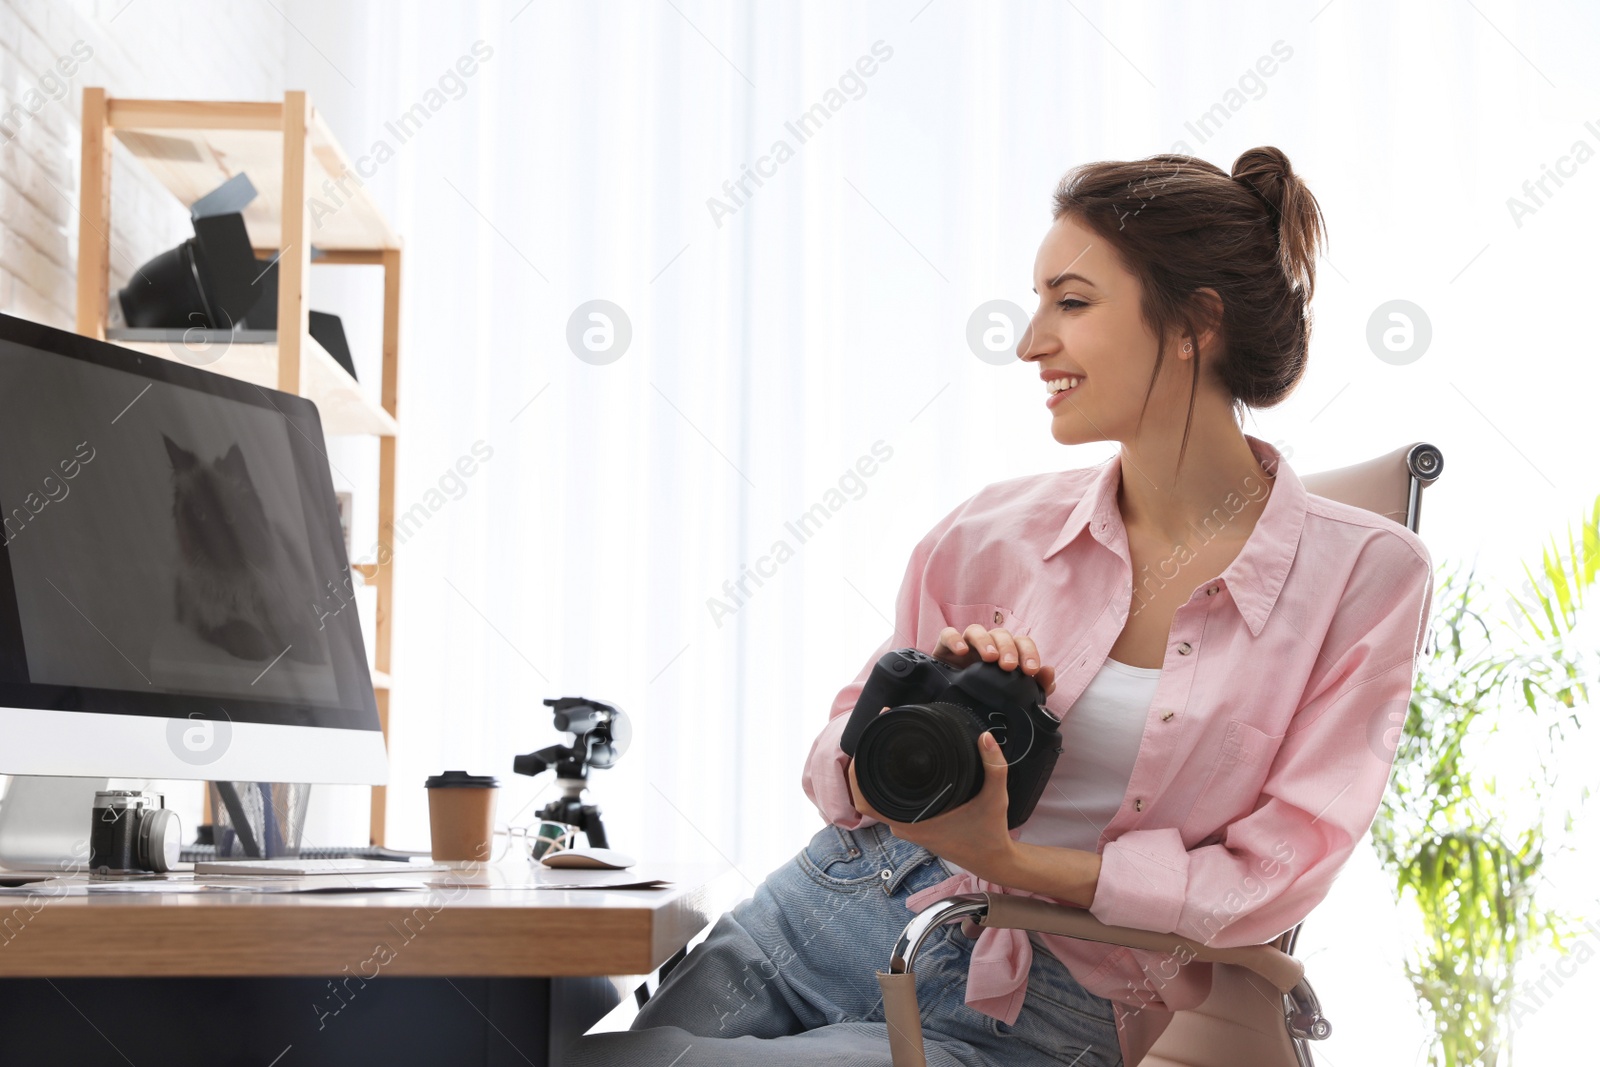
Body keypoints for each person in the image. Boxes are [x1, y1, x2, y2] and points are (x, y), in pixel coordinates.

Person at [563, 146, 1435, 1067]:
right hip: (830, 904)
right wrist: (919, 722)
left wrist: (1012, 860)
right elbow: (831, 759)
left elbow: (1272, 875)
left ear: (1194, 323)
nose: (1029, 341)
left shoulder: (1366, 576)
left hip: (1041, 1000)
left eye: (1071, 301)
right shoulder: (990, 530)